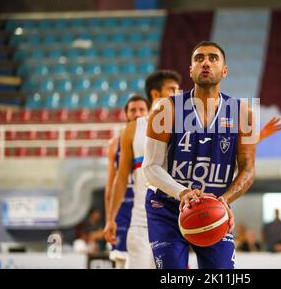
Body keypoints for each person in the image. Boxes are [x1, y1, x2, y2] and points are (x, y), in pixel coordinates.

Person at [140, 40, 259, 269]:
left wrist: (225, 201)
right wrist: (182, 193)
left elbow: (248, 168)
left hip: (213, 206)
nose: (205, 62)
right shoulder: (166, 109)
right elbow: (150, 167)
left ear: (224, 70)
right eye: (199, 58)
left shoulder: (244, 113)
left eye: (213, 58)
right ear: (191, 70)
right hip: (167, 205)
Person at [104, 70, 182, 269]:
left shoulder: (184, 126)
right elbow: (121, 178)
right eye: (172, 89)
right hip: (140, 223)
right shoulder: (133, 129)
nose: (178, 94)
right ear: (156, 94)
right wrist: (110, 219)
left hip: (173, 223)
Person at [104, 95, 149, 268]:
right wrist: (110, 217)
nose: (137, 113)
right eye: (132, 110)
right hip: (122, 209)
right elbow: (111, 183)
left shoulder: (152, 139)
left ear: (148, 112)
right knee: (122, 262)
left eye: (141, 109)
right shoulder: (115, 143)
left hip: (144, 208)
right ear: (126, 114)